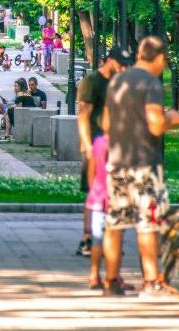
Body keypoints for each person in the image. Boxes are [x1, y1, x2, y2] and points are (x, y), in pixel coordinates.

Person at [101, 36, 179, 297]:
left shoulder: (117, 81)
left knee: (115, 223)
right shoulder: (151, 83)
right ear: (159, 58)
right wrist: (172, 118)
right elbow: (155, 124)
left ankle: (111, 281)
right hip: (145, 164)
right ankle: (151, 282)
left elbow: (105, 124)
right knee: (148, 223)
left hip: (117, 163)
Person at [75, 47, 132, 257]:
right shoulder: (92, 82)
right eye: (120, 63)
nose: (123, 67)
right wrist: (86, 145)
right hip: (95, 145)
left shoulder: (118, 83)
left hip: (114, 145)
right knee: (94, 193)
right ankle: (87, 237)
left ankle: (110, 237)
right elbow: (83, 115)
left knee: (115, 191)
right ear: (108, 60)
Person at [85, 128, 110, 290]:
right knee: (113, 238)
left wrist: (93, 190)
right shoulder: (121, 145)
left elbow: (91, 171)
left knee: (97, 237)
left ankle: (94, 274)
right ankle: (111, 275)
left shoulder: (99, 143)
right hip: (114, 198)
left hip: (97, 196)